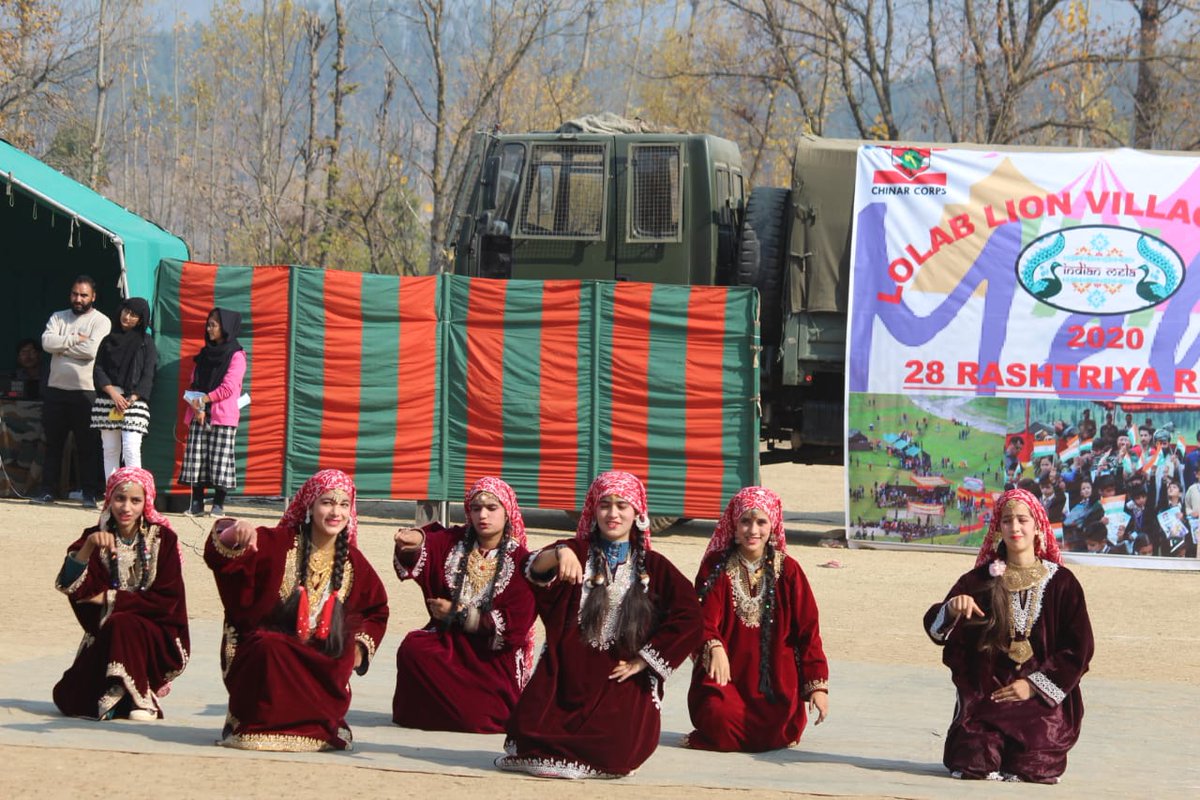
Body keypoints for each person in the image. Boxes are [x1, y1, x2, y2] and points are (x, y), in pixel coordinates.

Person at [497, 471, 702, 779]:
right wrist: (558, 552)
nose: (613, 513)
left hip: (618, 677)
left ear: (638, 513)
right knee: (530, 734)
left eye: (622, 505)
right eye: (605, 505)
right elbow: (530, 569)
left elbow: (690, 617)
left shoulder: (655, 567)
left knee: (616, 748)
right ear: (593, 510)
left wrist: (645, 659)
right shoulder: (575, 551)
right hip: (567, 673)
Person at [205, 469, 389, 751]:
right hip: (274, 653)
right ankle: (258, 722)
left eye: (343, 505)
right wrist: (234, 529)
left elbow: (376, 609)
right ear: (310, 505)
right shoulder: (278, 542)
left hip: (321, 658)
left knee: (337, 654)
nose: (335, 512)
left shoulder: (353, 562)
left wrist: (359, 649)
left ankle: (320, 724)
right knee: (269, 646)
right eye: (327, 502)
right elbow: (222, 555)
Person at [923, 487, 1094, 783]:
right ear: (998, 528)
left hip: (1040, 706)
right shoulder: (981, 579)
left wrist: (1033, 687)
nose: (1015, 527)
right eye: (1007, 521)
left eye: (1022, 520)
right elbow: (936, 631)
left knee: (1032, 766)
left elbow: (1078, 649)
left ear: (1038, 526)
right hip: (988, 700)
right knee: (974, 760)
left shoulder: (1062, 583)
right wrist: (952, 608)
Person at [685, 487, 829, 752]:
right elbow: (702, 618)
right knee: (719, 719)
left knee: (777, 728)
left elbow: (808, 631)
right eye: (745, 521)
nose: (753, 530)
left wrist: (817, 686)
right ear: (734, 525)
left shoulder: (789, 571)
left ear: (772, 526)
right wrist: (713, 645)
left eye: (761, 522)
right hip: (726, 681)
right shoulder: (716, 566)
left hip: (774, 683)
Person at [392, 477, 536, 732]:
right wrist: (412, 541)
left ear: (508, 513)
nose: (483, 515)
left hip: (489, 653)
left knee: (480, 716)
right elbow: (428, 541)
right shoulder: (453, 542)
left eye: (492, 508)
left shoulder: (521, 560)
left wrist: (458, 614)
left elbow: (515, 628)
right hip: (446, 641)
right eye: (476, 508)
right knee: (413, 649)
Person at [52, 467, 190, 720]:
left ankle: (139, 698)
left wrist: (110, 598)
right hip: (107, 632)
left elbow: (168, 600)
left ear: (146, 503)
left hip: (156, 631)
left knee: (123, 622)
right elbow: (71, 587)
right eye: (120, 499)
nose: (126, 507)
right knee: (69, 697)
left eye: (135, 501)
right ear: (109, 499)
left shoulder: (163, 539)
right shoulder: (94, 537)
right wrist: (89, 546)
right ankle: (132, 696)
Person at [32, 275, 111, 507]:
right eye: (75, 294)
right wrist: (76, 338)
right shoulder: (58, 316)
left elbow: (91, 350)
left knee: (86, 446)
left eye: (83, 295)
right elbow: (46, 343)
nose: (78, 299)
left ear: (93, 297)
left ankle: (89, 493)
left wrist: (62, 347)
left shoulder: (101, 321)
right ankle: (47, 491)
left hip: (85, 393)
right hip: (56, 391)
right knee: (53, 445)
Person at [179, 307, 245, 517]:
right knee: (196, 457)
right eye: (208, 324)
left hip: (222, 415)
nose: (209, 328)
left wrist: (204, 400)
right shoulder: (204, 354)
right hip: (199, 412)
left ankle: (218, 504)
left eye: (214, 324)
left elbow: (229, 387)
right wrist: (197, 406)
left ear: (225, 327)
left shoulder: (237, 355)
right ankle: (196, 503)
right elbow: (193, 382)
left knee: (220, 459)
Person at [90, 298, 156, 478]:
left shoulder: (146, 342)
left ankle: (135, 493)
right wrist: (112, 393)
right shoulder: (108, 340)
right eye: (126, 311)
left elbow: (148, 373)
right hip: (108, 399)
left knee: (131, 448)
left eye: (134, 315)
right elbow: (98, 369)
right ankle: (112, 495)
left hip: (133, 402)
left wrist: (132, 398)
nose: (127, 317)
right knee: (110, 450)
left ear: (141, 320)